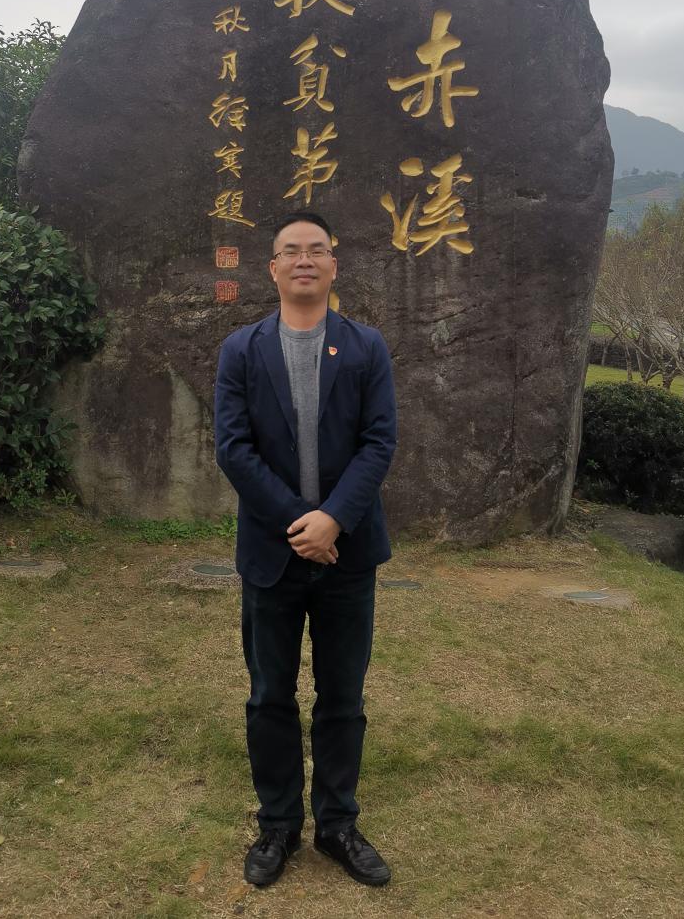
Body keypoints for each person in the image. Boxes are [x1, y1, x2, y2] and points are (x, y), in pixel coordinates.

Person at [214, 209, 398, 888]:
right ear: (272, 267)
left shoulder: (366, 347)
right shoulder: (241, 350)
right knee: (270, 695)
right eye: (290, 250)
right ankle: (278, 825)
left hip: (349, 556)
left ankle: (338, 824)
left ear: (333, 264)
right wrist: (303, 522)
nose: (303, 260)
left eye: (316, 249)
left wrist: (335, 521)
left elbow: (379, 441)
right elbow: (233, 448)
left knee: (343, 696)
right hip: (273, 554)